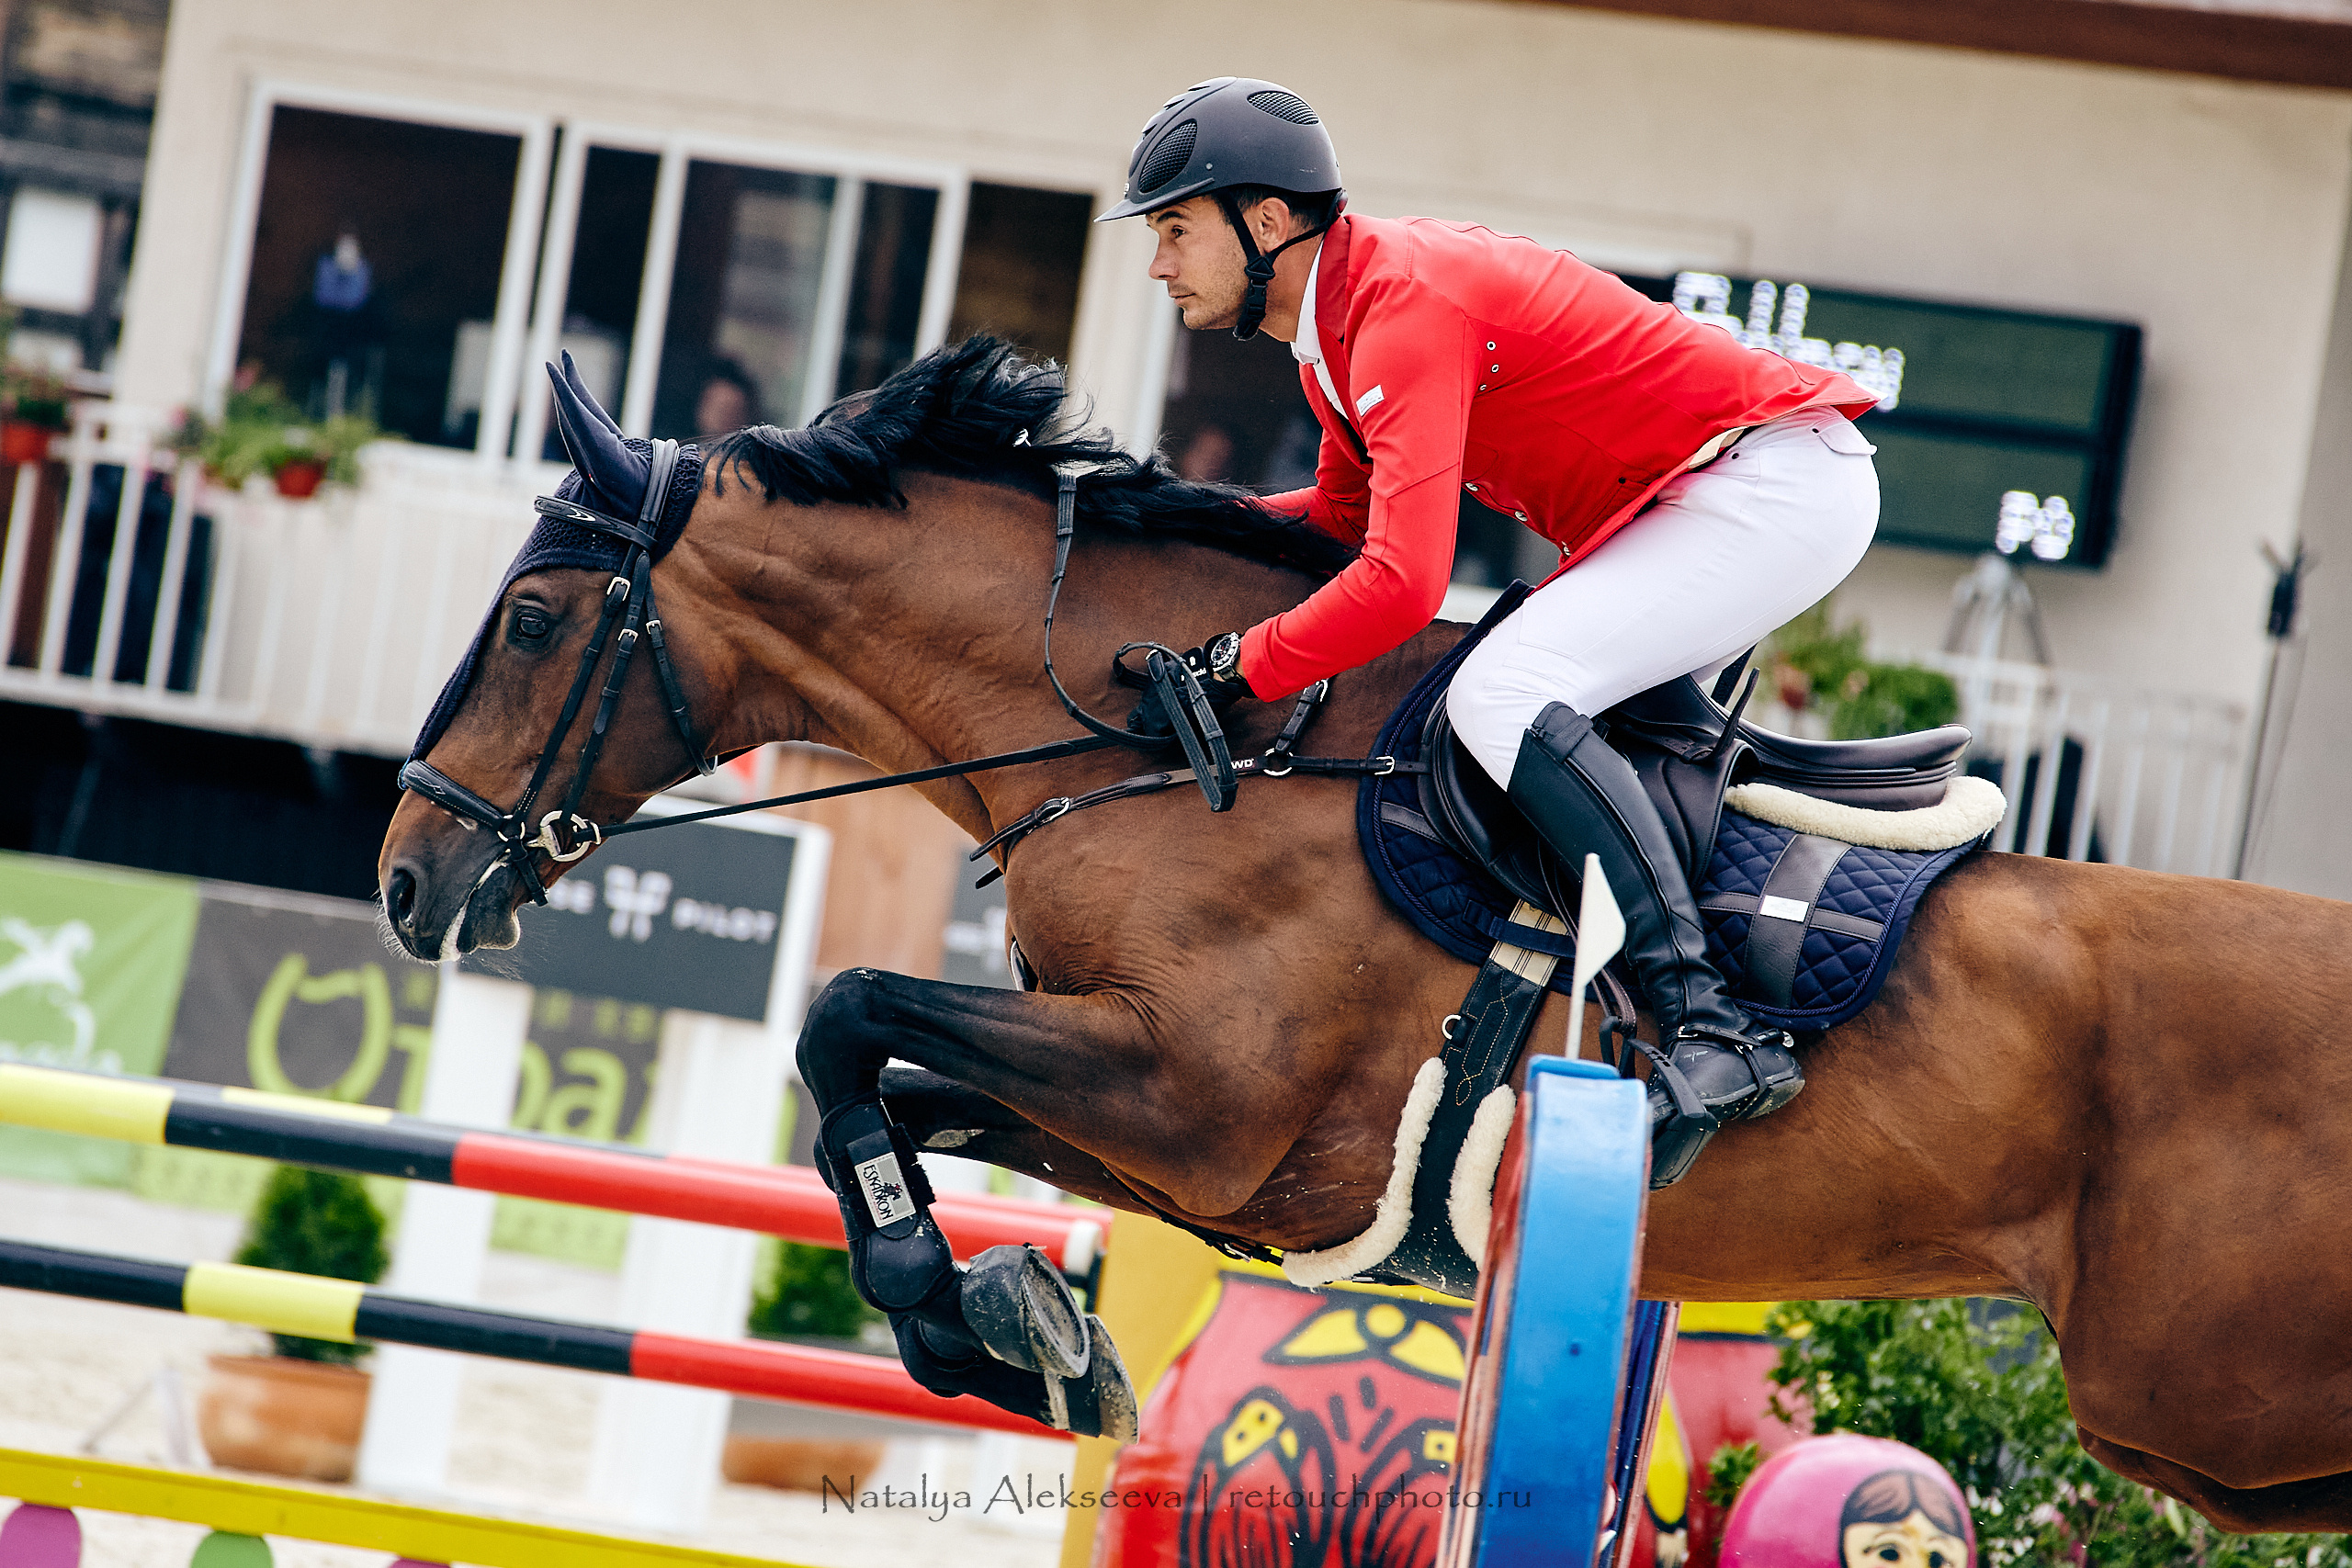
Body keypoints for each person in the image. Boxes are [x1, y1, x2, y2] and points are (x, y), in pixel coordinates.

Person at [1097, 77, 1884, 1185]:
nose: (1158, 264)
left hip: (1768, 485)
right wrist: (1162, 527)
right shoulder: (1333, 323)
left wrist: (1237, 667)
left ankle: (1714, 1033)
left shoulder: (1399, 307)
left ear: (1266, 222)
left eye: (1175, 229)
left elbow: (1404, 583)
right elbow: (1335, 520)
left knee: (1499, 693)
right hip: (1706, 496)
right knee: (1533, 706)